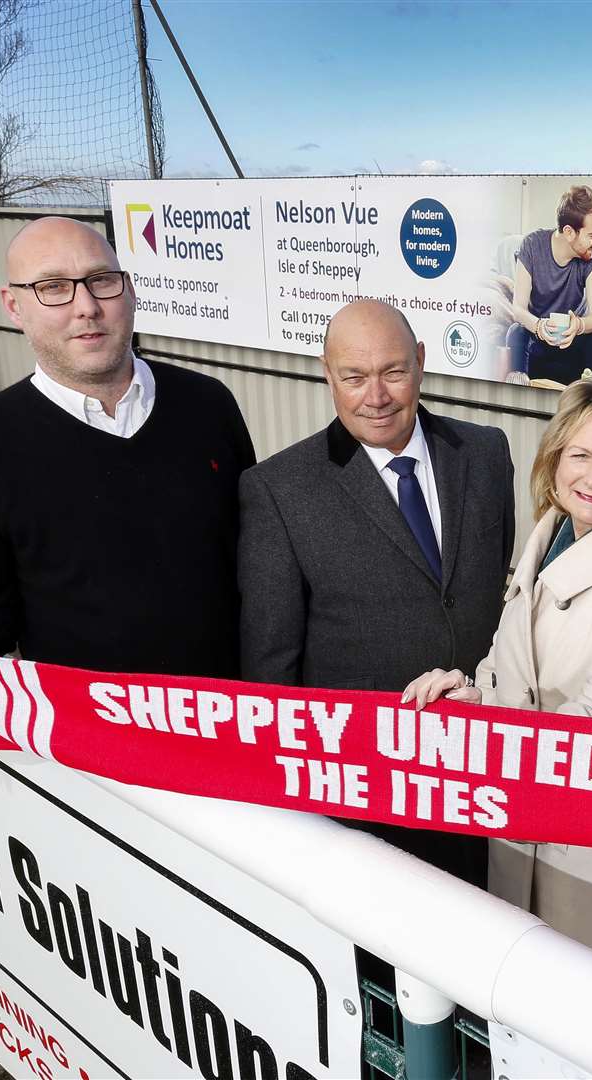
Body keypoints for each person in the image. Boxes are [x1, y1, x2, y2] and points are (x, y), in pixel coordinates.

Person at [0, 216, 254, 691]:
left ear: (128, 290)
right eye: (53, 287)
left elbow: (256, 557)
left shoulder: (207, 403)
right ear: (14, 306)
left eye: (101, 280)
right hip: (94, 743)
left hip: (239, 718)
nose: (86, 307)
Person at [402, 380, 592, 992]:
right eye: (580, 455)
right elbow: (509, 671)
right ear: (555, 459)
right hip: (520, 825)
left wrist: (498, 725)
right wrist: (471, 697)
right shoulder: (549, 534)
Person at [238, 299, 514, 886]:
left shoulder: (487, 454)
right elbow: (272, 664)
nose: (376, 395)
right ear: (327, 375)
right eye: (353, 377)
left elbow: (490, 595)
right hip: (364, 789)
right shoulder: (280, 490)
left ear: (419, 362)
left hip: (483, 767)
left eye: (392, 372)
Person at [506, 185, 592, 384]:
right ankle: (517, 392)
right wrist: (539, 326)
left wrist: (579, 325)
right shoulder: (532, 245)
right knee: (516, 332)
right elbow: (518, 309)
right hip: (539, 336)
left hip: (573, 339)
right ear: (569, 232)